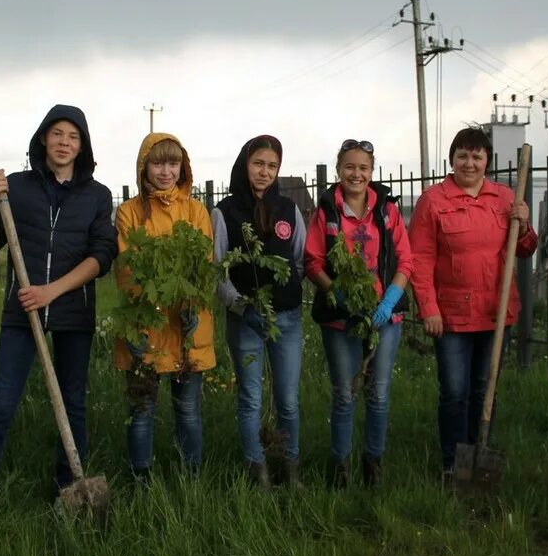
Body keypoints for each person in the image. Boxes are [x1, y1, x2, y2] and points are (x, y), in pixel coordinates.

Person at [0, 104, 118, 533]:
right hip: (21, 314)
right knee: (2, 402)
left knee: (73, 402)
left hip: (72, 311)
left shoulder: (97, 196)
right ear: (44, 138)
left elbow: (102, 257)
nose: (64, 142)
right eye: (57, 133)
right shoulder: (16, 189)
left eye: (73, 136)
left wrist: (52, 291)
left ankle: (68, 491)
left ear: (83, 145)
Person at [408, 127, 537, 480]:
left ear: (487, 162)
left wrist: (524, 226)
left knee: (484, 387)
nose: (469, 162)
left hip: (496, 312)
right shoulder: (433, 201)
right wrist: (428, 308)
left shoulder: (505, 198)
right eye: (462, 155)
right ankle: (453, 461)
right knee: (454, 391)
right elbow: (420, 259)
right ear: (452, 160)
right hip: (451, 315)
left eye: (477, 156)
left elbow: (525, 249)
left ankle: (478, 453)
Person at [305, 139, 414, 488]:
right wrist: (335, 292)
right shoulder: (326, 210)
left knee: (378, 393)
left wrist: (389, 301)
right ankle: (340, 467)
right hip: (340, 319)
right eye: (349, 167)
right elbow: (312, 261)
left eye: (363, 167)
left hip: (384, 318)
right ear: (339, 170)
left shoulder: (388, 210)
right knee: (344, 393)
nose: (356, 173)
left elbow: (406, 261)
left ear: (372, 171)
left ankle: (373, 463)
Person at [114, 132, 216, 483]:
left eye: (173, 163)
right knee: (142, 409)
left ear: (182, 167)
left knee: (188, 410)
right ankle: (140, 478)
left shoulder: (196, 210)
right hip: (145, 324)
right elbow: (128, 271)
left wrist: (190, 306)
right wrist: (141, 321)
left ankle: (191, 477)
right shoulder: (129, 213)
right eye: (158, 163)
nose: (166, 171)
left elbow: (203, 265)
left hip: (187, 325)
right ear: (144, 167)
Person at [213, 135, 305, 490]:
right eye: (258, 164)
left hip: (287, 319)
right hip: (245, 320)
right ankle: (258, 471)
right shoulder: (225, 212)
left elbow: (297, 259)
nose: (265, 172)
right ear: (244, 164)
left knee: (288, 399)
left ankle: (290, 466)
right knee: (251, 398)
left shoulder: (288, 209)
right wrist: (240, 304)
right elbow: (218, 268)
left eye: (272, 166)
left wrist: (286, 293)